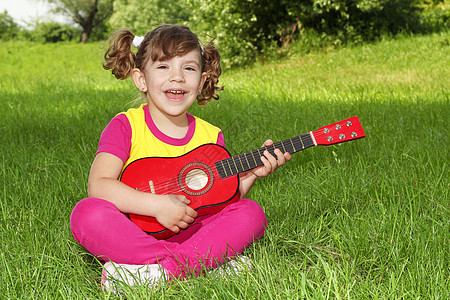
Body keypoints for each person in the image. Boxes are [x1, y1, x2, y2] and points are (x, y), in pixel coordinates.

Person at [70, 24, 291, 292]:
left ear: (201, 81)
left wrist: (250, 176)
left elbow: (219, 200)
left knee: (250, 213)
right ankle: (203, 267)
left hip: (196, 231)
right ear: (141, 79)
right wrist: (156, 206)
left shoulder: (211, 136)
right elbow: (99, 185)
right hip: (135, 233)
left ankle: (153, 273)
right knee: (86, 213)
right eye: (164, 67)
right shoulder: (125, 126)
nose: (177, 77)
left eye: (189, 68)